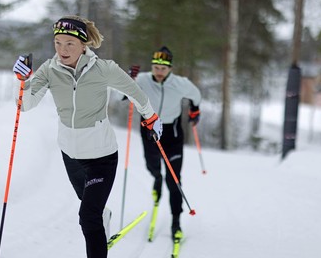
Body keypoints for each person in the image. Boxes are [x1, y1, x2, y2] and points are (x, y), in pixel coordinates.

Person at [12, 15, 162, 258]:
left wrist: (151, 118)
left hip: (101, 157)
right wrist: (22, 82)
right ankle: (104, 216)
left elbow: (136, 93)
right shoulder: (49, 70)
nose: (62, 49)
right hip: (70, 155)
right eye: (58, 43)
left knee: (87, 217)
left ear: (84, 45)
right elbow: (24, 105)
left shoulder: (104, 69)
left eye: (69, 43)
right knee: (92, 209)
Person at [134, 46, 201, 240]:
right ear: (152, 66)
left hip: (172, 133)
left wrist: (195, 109)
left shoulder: (181, 83)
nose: (159, 71)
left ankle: (176, 221)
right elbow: (122, 88)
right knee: (152, 165)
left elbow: (196, 95)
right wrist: (129, 81)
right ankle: (156, 178)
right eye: (156, 67)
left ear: (170, 68)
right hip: (149, 130)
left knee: (174, 179)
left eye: (163, 68)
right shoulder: (143, 79)